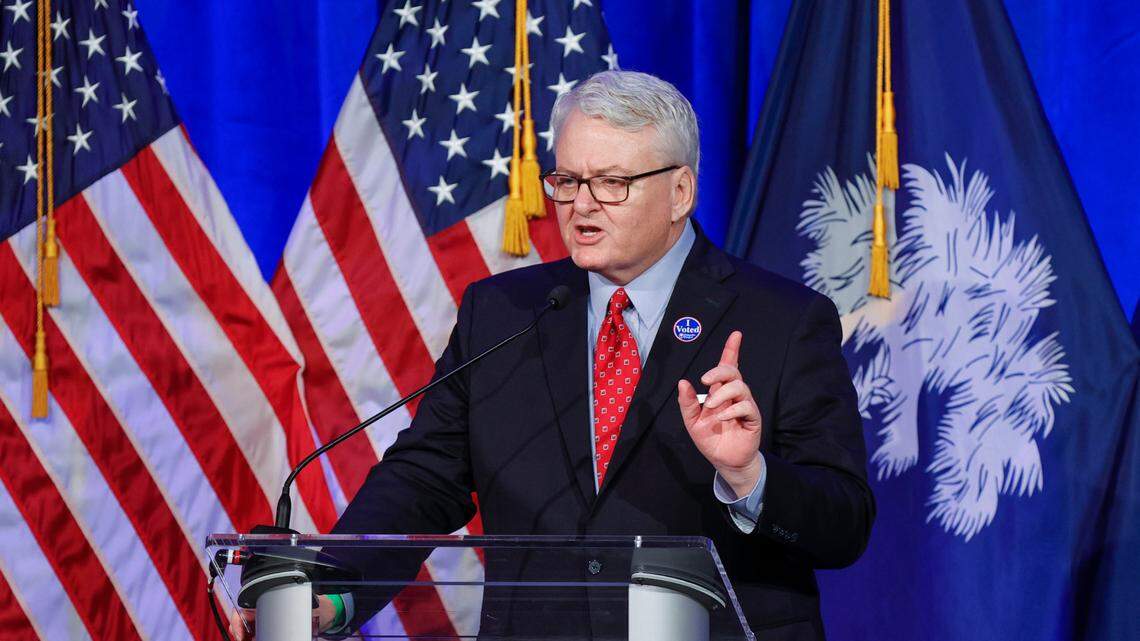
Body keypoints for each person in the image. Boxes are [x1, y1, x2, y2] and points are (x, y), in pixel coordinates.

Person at [234, 70, 874, 641]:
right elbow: (424, 479)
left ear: (680, 192)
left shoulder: (783, 321)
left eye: (614, 183)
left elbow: (845, 523)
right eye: (568, 180)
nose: (582, 205)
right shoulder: (504, 312)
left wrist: (750, 477)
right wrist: (330, 591)